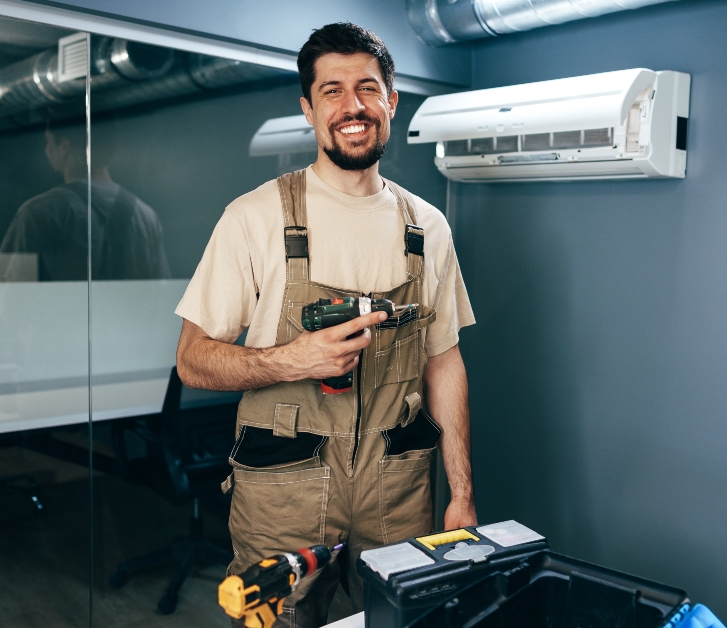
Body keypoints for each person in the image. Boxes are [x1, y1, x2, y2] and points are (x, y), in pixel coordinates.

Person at [174, 22, 477, 627]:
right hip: (283, 487)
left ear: (391, 102)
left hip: (399, 486)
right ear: (309, 109)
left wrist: (462, 495)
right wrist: (293, 361)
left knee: (399, 621)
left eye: (368, 88)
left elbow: (443, 359)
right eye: (332, 91)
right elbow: (192, 359)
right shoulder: (254, 217)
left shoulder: (429, 227)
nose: (353, 106)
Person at [0, 118, 171, 281]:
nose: (46, 149)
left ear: (64, 146)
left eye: (48, 141)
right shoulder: (147, 216)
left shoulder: (38, 212)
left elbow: (10, 300)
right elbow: (161, 292)